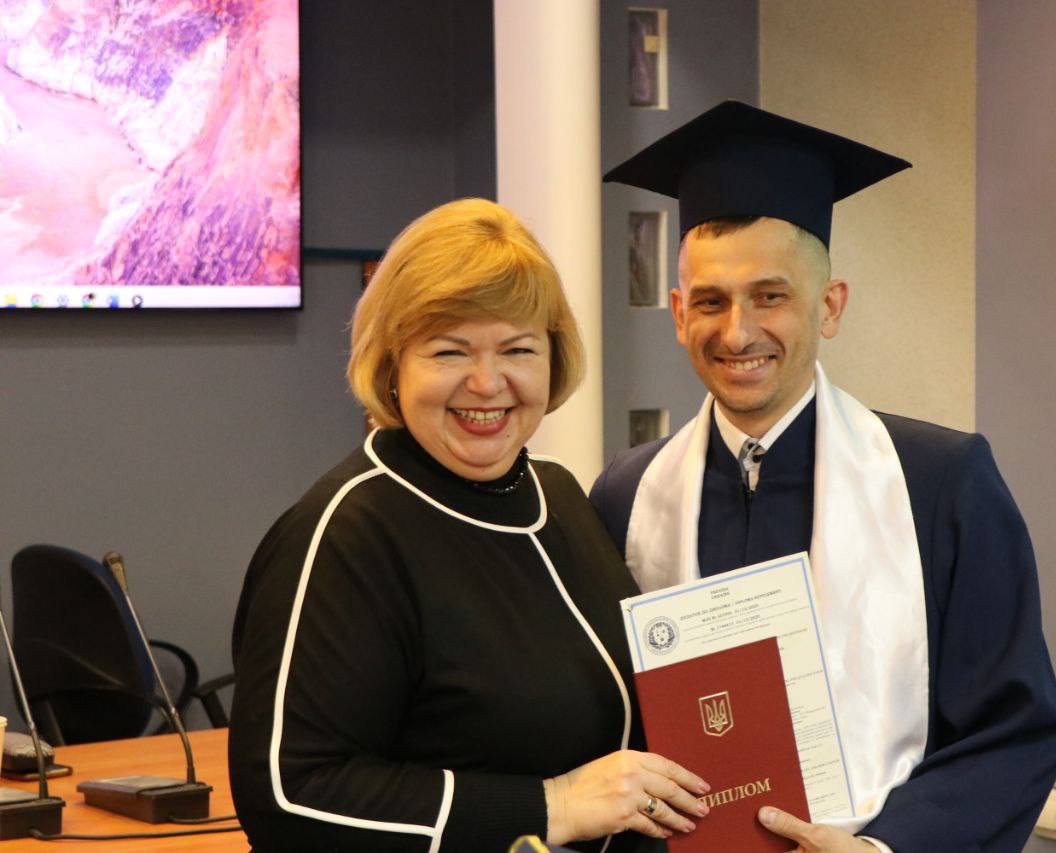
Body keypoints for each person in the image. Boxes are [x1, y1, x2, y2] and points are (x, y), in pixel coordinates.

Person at [590, 101, 1056, 852]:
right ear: (679, 314)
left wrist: (886, 848)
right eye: (711, 301)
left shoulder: (940, 484)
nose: (738, 331)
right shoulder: (625, 495)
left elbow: (1016, 730)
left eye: (771, 296)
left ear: (830, 305)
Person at [229, 199, 710, 852]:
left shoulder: (559, 497)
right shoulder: (346, 535)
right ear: (393, 364)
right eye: (450, 351)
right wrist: (550, 805)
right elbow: (290, 794)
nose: (487, 383)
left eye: (518, 349)